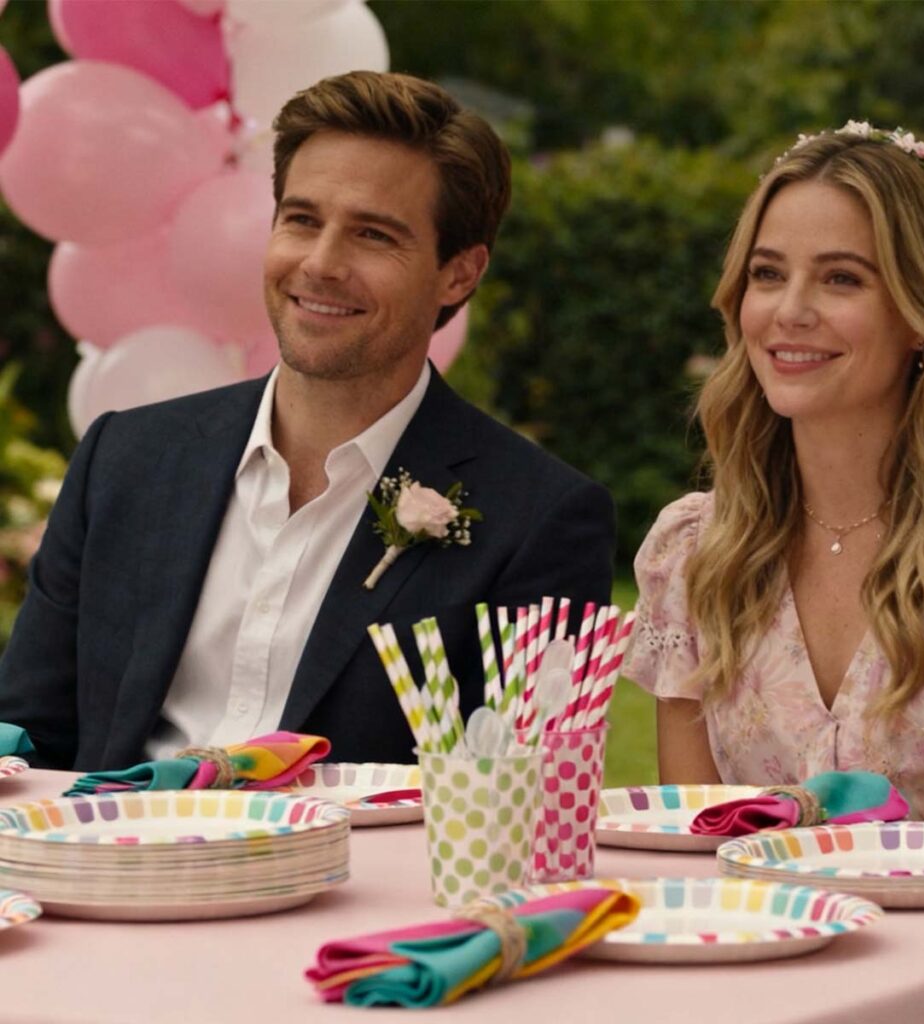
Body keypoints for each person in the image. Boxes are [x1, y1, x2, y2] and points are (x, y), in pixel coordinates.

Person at [0, 71, 615, 770]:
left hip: (347, 877)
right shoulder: (124, 457)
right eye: (301, 220)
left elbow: (526, 804)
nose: (321, 265)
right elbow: (25, 743)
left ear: (459, 273)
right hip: (107, 863)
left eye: (373, 235)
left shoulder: (542, 518)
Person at [625, 121, 924, 825]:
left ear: (922, 316)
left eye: (842, 278)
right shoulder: (691, 553)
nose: (790, 311)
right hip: (757, 933)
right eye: (768, 274)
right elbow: (696, 847)